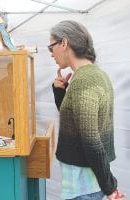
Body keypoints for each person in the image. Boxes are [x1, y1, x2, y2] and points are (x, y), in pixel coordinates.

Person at [50, 20, 125, 200]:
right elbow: (76, 123)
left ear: (64, 43)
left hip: (82, 187)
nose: (51, 54)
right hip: (85, 184)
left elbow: (91, 140)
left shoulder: (85, 81)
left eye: (51, 47)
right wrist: (60, 92)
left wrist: (110, 187)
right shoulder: (94, 75)